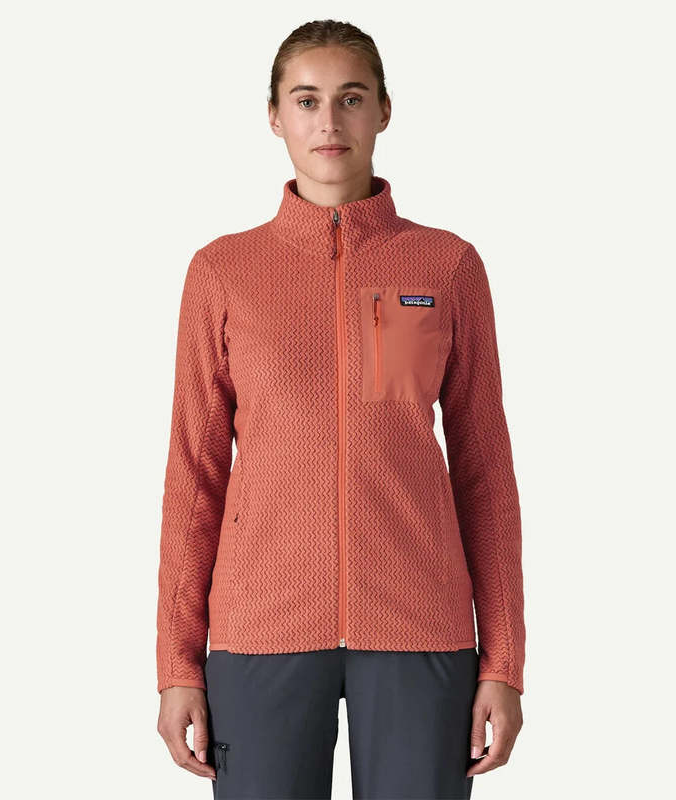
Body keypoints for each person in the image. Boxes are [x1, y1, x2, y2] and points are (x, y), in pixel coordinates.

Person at [156, 19, 525, 799]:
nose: (329, 121)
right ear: (274, 116)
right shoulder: (223, 272)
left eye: (351, 98)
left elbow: (485, 473)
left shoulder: (446, 266)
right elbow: (194, 477)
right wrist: (176, 665)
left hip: (420, 625)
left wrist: (504, 662)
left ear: (384, 110)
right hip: (262, 628)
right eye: (307, 100)